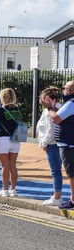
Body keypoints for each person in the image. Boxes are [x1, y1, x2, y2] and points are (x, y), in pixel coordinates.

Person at [44, 80, 74, 209]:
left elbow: (56, 119)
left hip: (68, 145)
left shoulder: (71, 103)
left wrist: (50, 108)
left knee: (72, 174)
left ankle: (73, 200)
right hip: (69, 143)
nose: (64, 91)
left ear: (70, 91)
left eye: (66, 89)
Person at [37, 86, 62, 206]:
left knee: (56, 171)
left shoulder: (52, 110)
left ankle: (57, 197)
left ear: (47, 99)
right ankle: (57, 195)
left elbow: (51, 130)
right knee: (58, 171)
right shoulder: (53, 109)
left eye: (42, 98)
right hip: (54, 144)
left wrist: (44, 143)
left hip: (52, 144)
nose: (40, 101)